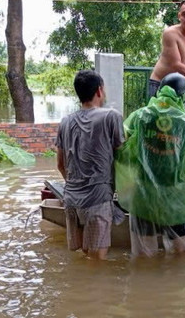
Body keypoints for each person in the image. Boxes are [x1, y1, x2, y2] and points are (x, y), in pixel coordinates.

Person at [115, 72, 185, 257]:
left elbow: (120, 144)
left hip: (143, 198)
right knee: (181, 255)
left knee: (143, 258)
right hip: (175, 201)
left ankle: (145, 286)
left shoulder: (140, 116)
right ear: (184, 97)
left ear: (159, 92)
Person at [55, 70, 125, 260]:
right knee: (97, 262)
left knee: (84, 255)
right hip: (98, 199)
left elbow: (61, 164)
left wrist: (77, 186)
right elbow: (123, 156)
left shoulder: (65, 122)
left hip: (71, 199)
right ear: (99, 91)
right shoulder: (111, 116)